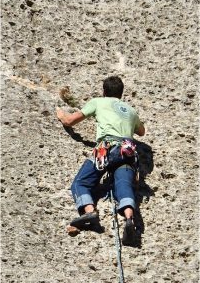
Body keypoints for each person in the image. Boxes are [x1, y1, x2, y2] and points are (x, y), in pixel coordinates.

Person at [56, 76, 145, 245]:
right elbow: (141, 132)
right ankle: (129, 219)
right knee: (123, 185)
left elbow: (70, 121)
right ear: (121, 93)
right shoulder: (131, 111)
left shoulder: (98, 102)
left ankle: (89, 211)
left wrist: (60, 113)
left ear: (104, 91)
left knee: (81, 182)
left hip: (107, 149)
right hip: (127, 152)